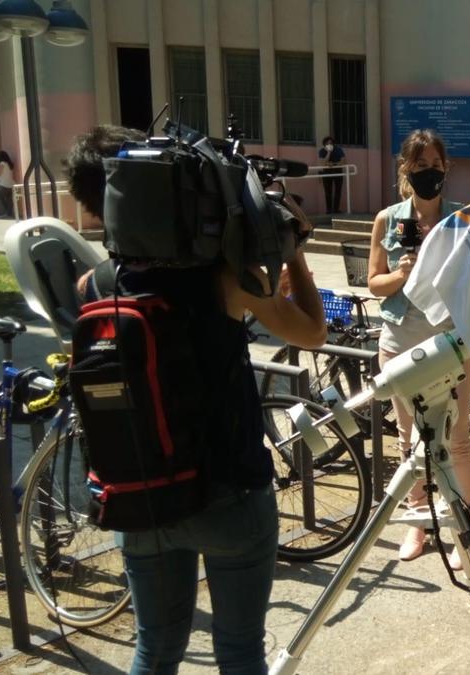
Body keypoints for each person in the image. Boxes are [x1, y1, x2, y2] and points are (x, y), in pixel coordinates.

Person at [64, 124, 327, 673]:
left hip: (142, 494)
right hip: (229, 492)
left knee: (155, 648)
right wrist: (292, 252)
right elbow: (311, 333)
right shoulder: (228, 280)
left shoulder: (94, 286)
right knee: (237, 651)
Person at [367, 128, 470, 568]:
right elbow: (375, 284)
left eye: (435, 165)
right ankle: (420, 522)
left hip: (450, 346)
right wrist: (402, 273)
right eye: (420, 166)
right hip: (399, 345)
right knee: (410, 442)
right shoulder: (387, 219)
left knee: (458, 440)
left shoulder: (462, 219)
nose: (429, 173)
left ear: (445, 169)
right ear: (405, 170)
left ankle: (464, 525)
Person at [318, 135, 346, 214]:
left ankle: (336, 209)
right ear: (324, 145)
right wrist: (328, 152)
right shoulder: (322, 151)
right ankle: (329, 210)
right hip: (326, 172)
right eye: (327, 143)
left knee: (338, 191)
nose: (329, 145)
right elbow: (323, 163)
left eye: (331, 143)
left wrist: (333, 164)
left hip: (337, 171)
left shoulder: (338, 149)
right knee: (328, 192)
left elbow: (343, 161)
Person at [0, 150, 15, 218]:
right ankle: (9, 213)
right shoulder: (10, 164)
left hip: (4, 185)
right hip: (11, 184)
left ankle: (7, 212)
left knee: (1, 197)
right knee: (9, 200)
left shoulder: (2, 163)